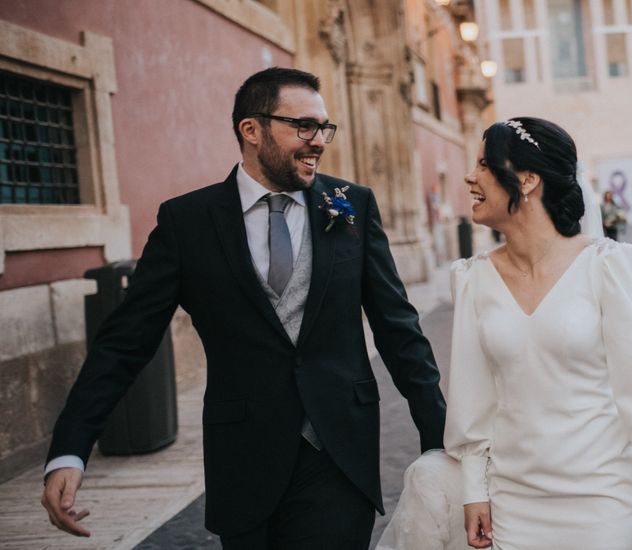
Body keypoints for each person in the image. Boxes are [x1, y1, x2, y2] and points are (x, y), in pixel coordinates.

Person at [40, 67, 447, 549]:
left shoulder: (352, 204)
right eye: (303, 126)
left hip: (339, 453)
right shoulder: (187, 222)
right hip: (244, 460)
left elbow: (398, 328)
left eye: (323, 128)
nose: (317, 140)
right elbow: (124, 343)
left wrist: (439, 439)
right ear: (250, 130)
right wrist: (69, 451)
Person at [442, 118, 632, 549]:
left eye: (484, 165)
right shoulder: (472, 278)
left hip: (603, 502)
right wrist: (474, 490)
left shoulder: (606, 264)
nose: (470, 177)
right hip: (513, 504)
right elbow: (473, 397)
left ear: (526, 180)